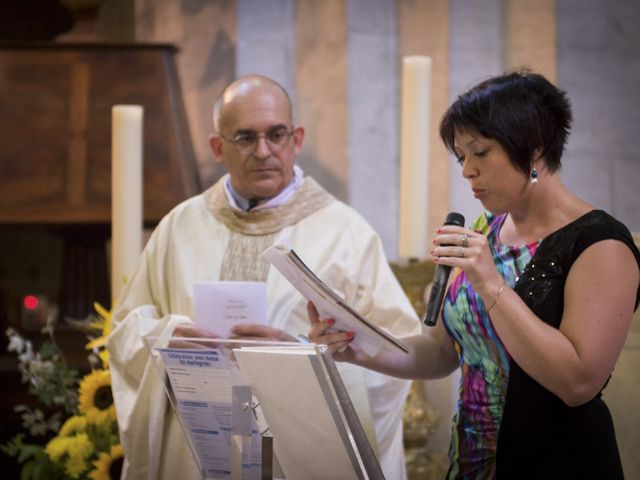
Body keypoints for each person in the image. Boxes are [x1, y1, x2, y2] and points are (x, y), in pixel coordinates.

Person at [308, 70, 640, 479]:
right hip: (471, 459)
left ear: (534, 152)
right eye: (462, 156)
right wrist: (360, 348)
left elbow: (578, 383)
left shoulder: (600, 244)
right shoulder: (483, 233)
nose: (467, 171)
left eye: (480, 153)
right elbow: (442, 351)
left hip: (558, 462)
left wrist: (490, 283)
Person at [107, 74, 422, 480]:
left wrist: (301, 361)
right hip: (200, 446)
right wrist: (168, 337)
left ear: (297, 139)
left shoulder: (346, 233)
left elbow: (395, 354)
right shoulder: (179, 227)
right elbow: (125, 333)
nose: (263, 151)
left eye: (276, 135)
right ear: (217, 147)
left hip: (298, 456)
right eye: (244, 137)